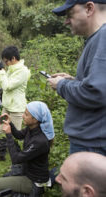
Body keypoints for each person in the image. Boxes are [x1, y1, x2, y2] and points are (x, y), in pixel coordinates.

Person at [48, 0, 106, 155]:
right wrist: (73, 81)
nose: (66, 22)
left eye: (70, 14)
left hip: (92, 145)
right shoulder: (97, 38)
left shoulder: (103, 37)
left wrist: (61, 85)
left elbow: (95, 93)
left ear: (89, 8)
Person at [0, 101, 55, 197]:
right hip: (27, 171)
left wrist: (8, 135)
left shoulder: (40, 141)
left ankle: (24, 195)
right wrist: (10, 123)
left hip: (34, 180)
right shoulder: (32, 128)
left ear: (36, 119)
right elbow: (19, 135)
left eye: (26, 114)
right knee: (5, 178)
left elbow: (16, 159)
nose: (23, 116)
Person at [0, 46, 31, 162]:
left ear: (13, 58)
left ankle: (17, 160)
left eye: (6, 61)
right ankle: (0, 154)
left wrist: (2, 72)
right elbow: (2, 85)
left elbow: (8, 85)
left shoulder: (22, 71)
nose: (6, 64)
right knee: (2, 129)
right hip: (7, 106)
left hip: (17, 108)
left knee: (15, 134)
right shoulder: (12, 70)